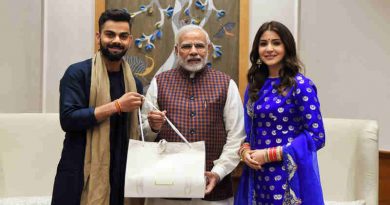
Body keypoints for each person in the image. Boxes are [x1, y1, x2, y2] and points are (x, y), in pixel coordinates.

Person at [141, 24, 246, 205]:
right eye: (186, 46)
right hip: (165, 186)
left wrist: (218, 172)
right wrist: (153, 127)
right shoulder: (159, 82)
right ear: (176, 50)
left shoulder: (226, 84)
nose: (193, 51)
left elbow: (236, 136)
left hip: (213, 189)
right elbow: (142, 133)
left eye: (199, 46)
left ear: (209, 49)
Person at [51, 9, 144, 205]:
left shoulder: (134, 83)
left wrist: (154, 125)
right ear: (98, 37)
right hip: (80, 173)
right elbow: (68, 119)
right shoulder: (77, 73)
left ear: (130, 40)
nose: (116, 40)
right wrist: (117, 105)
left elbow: (136, 130)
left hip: (122, 173)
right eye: (110, 34)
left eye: (123, 36)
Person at [234, 21, 325, 205]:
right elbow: (250, 134)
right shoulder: (254, 86)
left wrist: (269, 154)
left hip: (289, 176)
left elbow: (317, 137)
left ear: (287, 47)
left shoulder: (301, 86)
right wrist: (244, 152)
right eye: (263, 43)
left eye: (276, 43)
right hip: (257, 175)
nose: (269, 48)